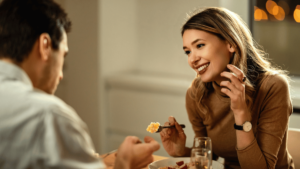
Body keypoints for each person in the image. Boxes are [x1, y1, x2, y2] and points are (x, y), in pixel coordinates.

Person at [0, 0, 160, 169]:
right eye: (63, 57)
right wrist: (124, 164)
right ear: (45, 46)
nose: (61, 75)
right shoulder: (48, 116)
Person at [160, 7, 294, 169]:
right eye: (187, 52)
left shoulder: (273, 86)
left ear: (230, 43)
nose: (192, 59)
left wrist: (241, 113)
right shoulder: (197, 94)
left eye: (200, 45)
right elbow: (208, 157)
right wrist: (180, 152)